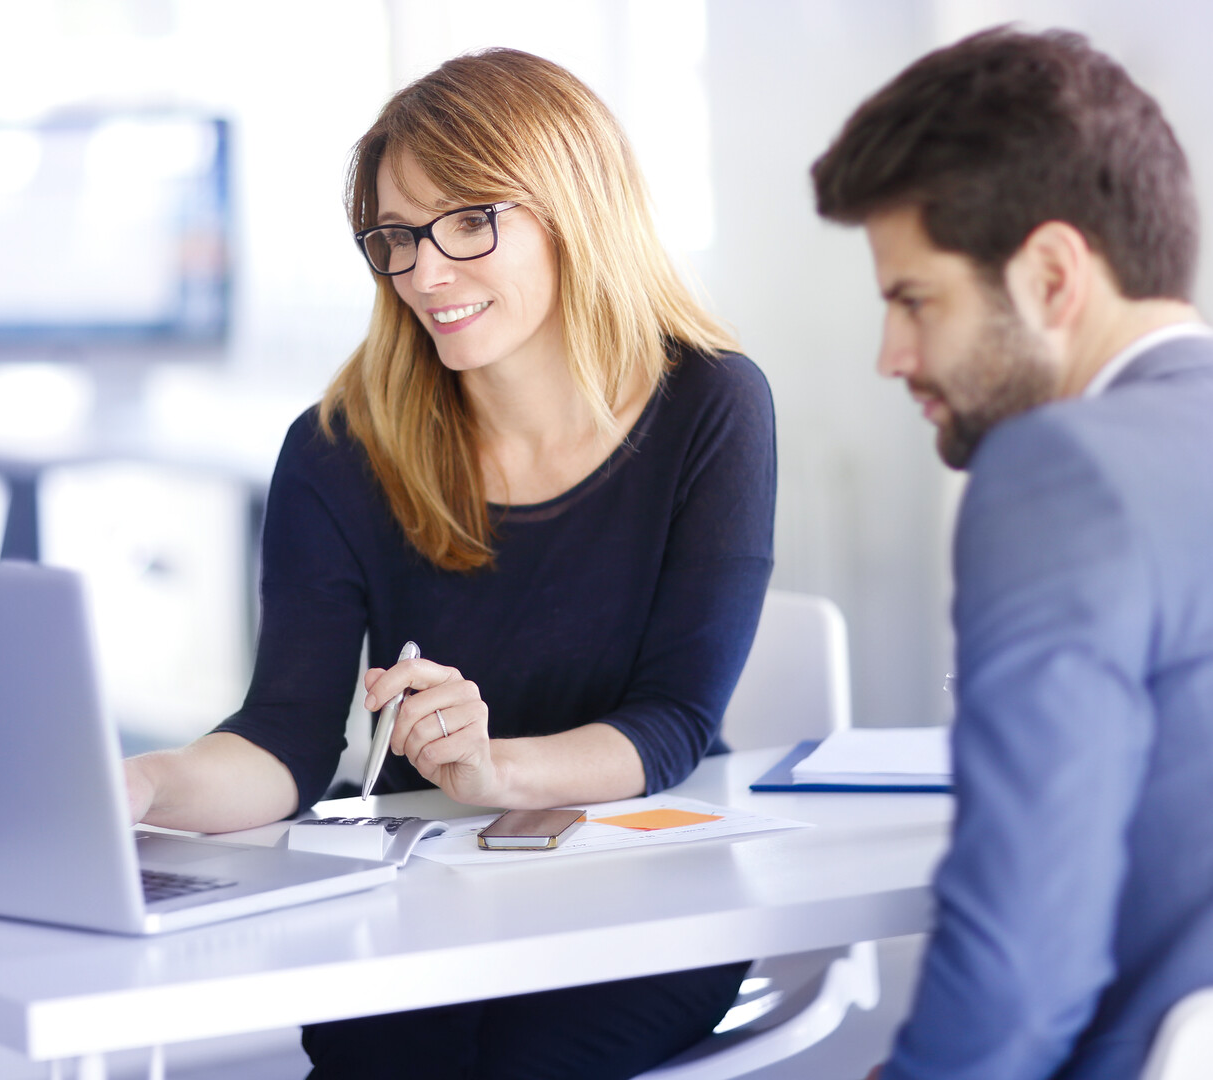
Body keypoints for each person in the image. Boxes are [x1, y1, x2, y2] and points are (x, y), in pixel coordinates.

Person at [808, 26, 1213, 1080]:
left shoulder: (1056, 470)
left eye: (914, 300)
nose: (893, 358)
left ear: (1053, 275)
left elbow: (1019, 981)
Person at [124, 48, 775, 1080]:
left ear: (575, 208)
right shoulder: (340, 447)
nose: (425, 272)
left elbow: (675, 721)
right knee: (384, 1054)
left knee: (530, 1055)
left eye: (469, 221)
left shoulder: (710, 404)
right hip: (422, 891)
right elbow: (287, 739)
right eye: (396, 236)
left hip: (641, 883)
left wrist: (492, 767)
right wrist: (144, 781)